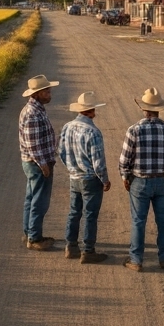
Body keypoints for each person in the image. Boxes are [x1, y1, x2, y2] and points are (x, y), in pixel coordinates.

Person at [119, 88, 164, 271]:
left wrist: (125, 177)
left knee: (139, 221)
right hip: (162, 181)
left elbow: (125, 160)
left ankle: (136, 260)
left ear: (143, 109)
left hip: (139, 181)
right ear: (159, 109)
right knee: (163, 221)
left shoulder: (134, 130)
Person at [58, 91, 111, 263]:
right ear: (92, 110)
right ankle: (88, 250)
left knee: (74, 212)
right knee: (90, 214)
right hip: (90, 179)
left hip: (74, 177)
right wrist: (104, 179)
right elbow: (98, 162)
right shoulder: (93, 132)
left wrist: (71, 168)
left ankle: (70, 246)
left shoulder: (67, 127)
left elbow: (61, 152)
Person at [18, 74, 60, 250]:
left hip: (33, 162)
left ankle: (29, 232)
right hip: (37, 163)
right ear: (37, 93)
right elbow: (33, 144)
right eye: (47, 91)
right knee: (39, 201)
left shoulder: (36, 109)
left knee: (31, 198)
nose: (50, 93)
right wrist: (43, 165)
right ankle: (35, 238)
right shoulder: (33, 113)